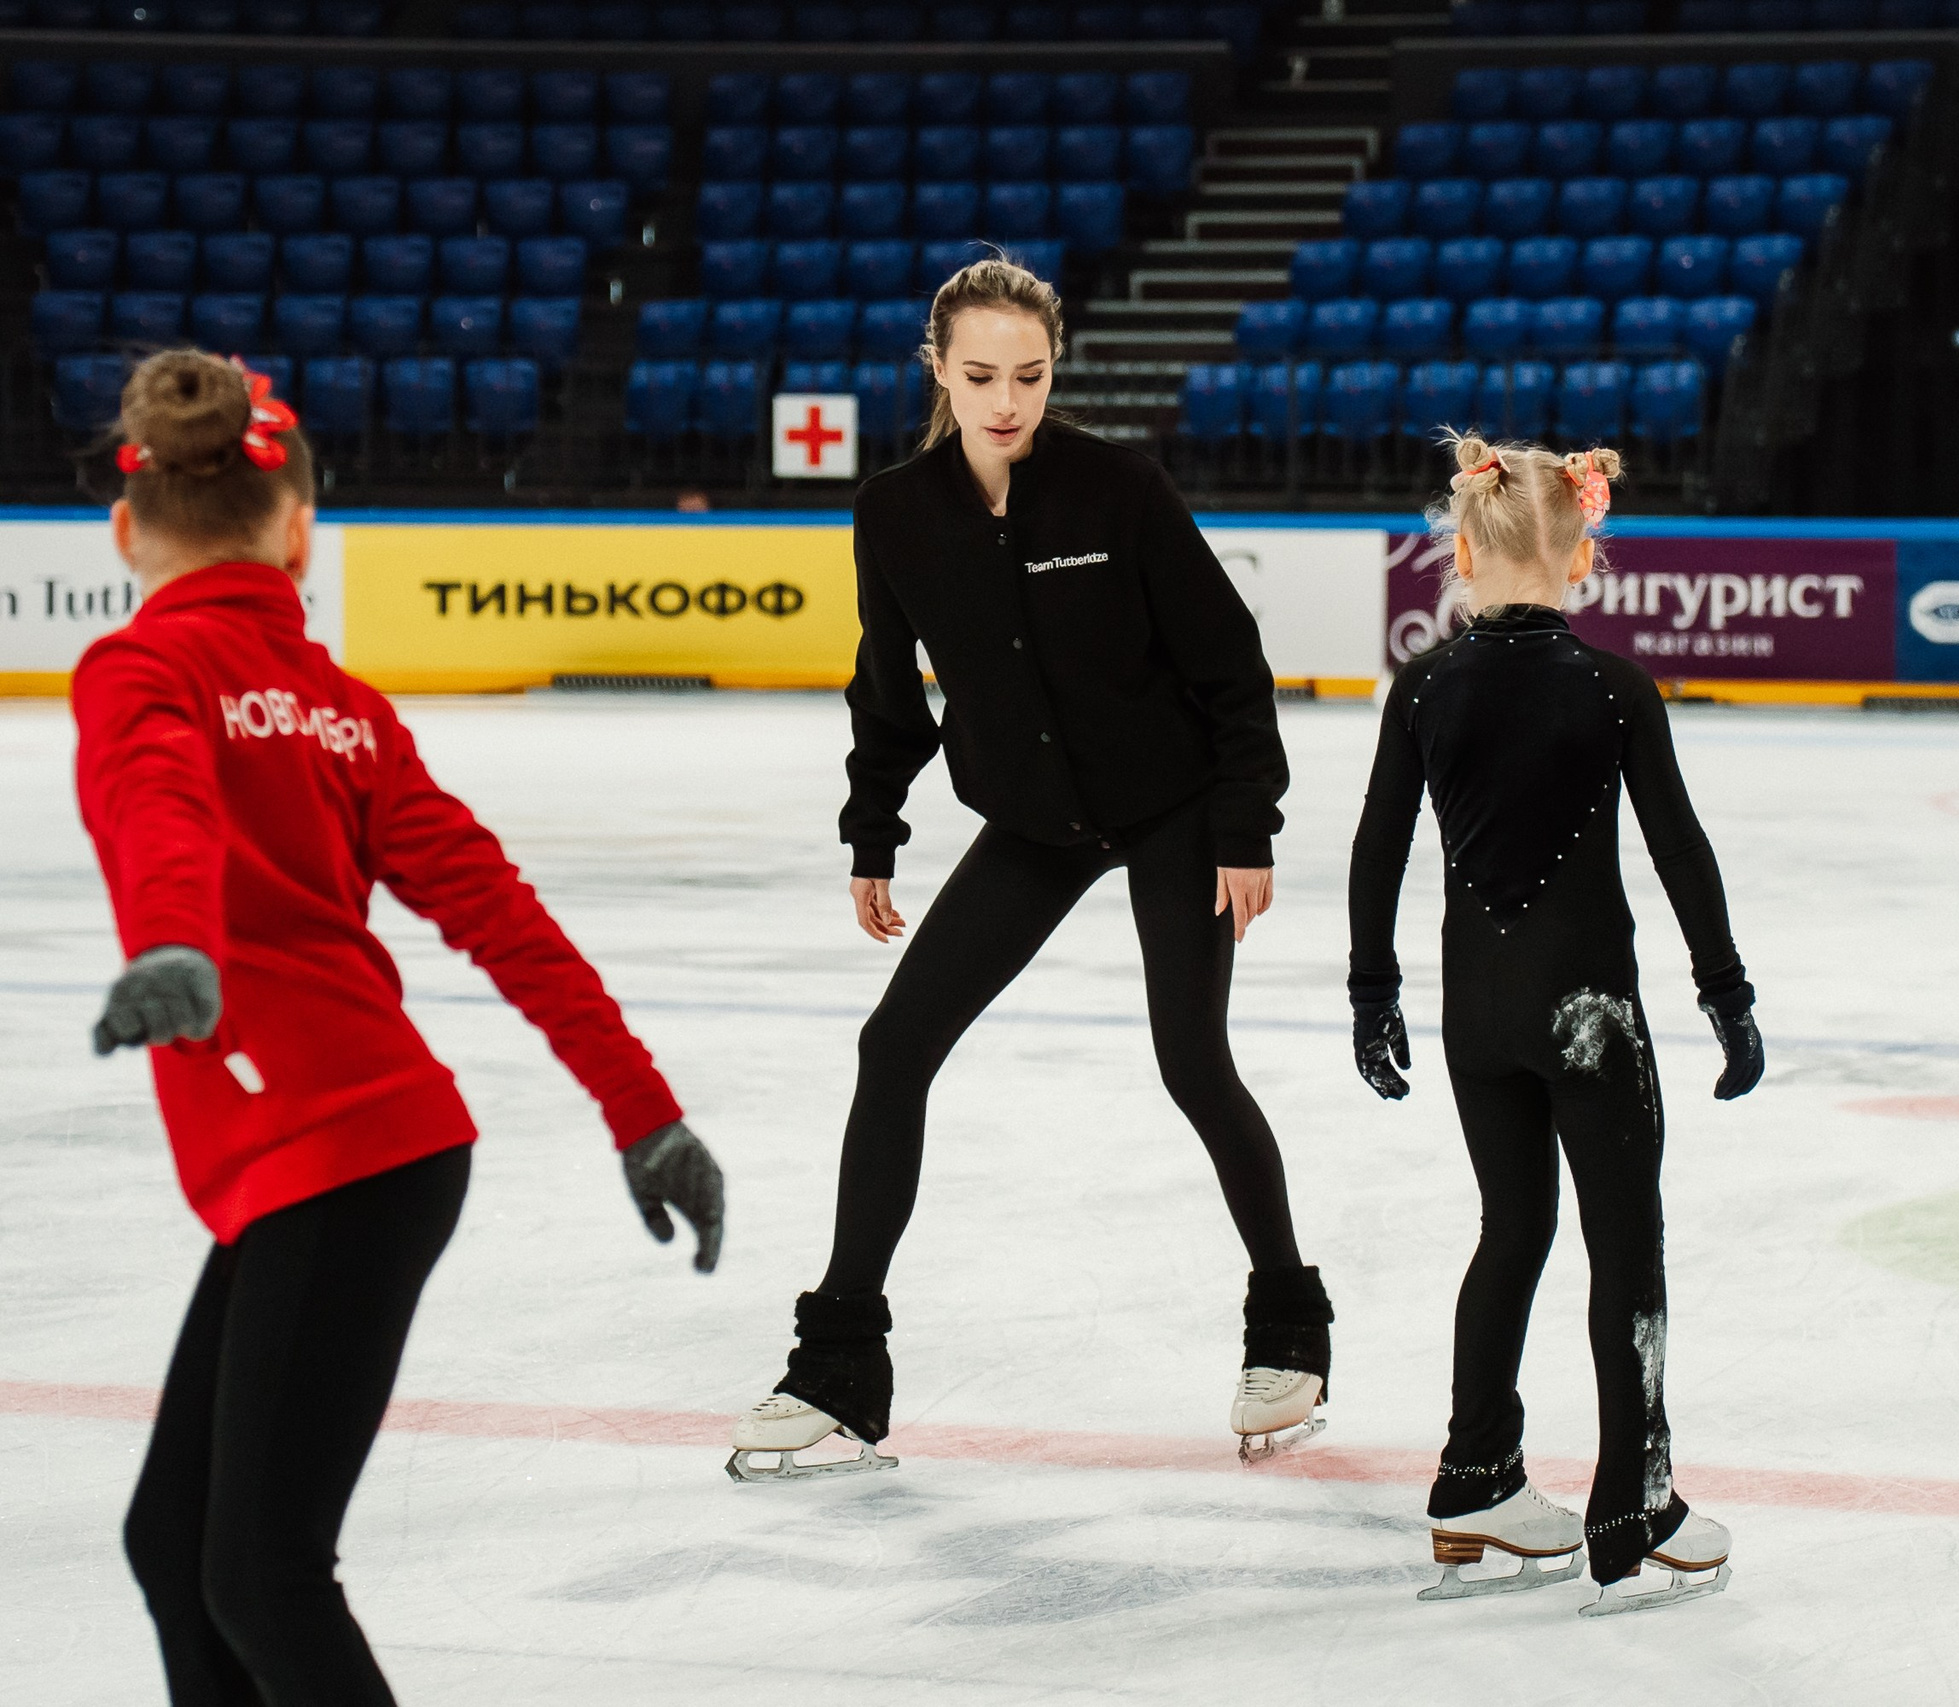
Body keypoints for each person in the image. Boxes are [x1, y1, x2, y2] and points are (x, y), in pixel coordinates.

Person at [74, 350, 726, 1706]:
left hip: (339, 1158)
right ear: (300, 532)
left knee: (260, 1570)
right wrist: (643, 1109)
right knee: (175, 1545)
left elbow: (157, 800)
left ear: (126, 530)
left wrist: (174, 938)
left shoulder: (142, 667)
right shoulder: (344, 713)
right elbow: (507, 917)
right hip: (360, 1155)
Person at [727, 257, 1330, 1481]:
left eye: (1031, 376)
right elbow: (885, 685)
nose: (1007, 401)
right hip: (1033, 822)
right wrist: (873, 829)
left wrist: (1245, 825)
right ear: (938, 371)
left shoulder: (1118, 487)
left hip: (1169, 810)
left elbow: (1228, 661)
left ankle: (1288, 1331)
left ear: (1055, 371)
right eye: (982, 375)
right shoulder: (896, 511)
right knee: (894, 1046)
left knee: (1191, 1061)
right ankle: (838, 1368)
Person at [1345, 435, 1766, 1615]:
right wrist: (1724, 991)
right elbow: (1679, 849)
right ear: (1584, 555)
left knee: (1511, 1229)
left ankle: (1476, 1476)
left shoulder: (1422, 684)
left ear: (1462, 555)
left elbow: (1377, 849)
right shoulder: (1612, 687)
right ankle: (1635, 1506)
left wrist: (1371, 993)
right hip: (1590, 1015)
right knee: (1625, 1244)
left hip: (1475, 1015)